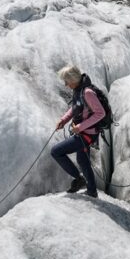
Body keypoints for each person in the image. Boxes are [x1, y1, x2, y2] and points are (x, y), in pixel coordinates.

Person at [52, 65, 105, 198]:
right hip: (84, 133)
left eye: (67, 82)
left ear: (73, 80)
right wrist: (63, 120)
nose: (66, 85)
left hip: (87, 134)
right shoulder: (78, 89)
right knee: (83, 160)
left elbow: (100, 113)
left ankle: (79, 179)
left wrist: (80, 127)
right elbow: (75, 108)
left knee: (56, 152)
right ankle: (92, 191)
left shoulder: (87, 92)